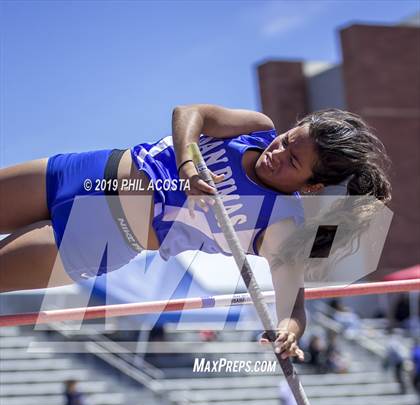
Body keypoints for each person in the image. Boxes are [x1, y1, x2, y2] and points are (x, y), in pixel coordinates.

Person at [0, 105, 392, 359]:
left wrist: (289, 332)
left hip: (102, 234)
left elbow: (293, 305)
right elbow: (191, 112)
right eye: (287, 141)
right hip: (85, 173)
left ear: (311, 186)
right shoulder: (256, 129)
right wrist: (188, 164)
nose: (276, 153)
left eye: (292, 161)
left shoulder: (280, 223)